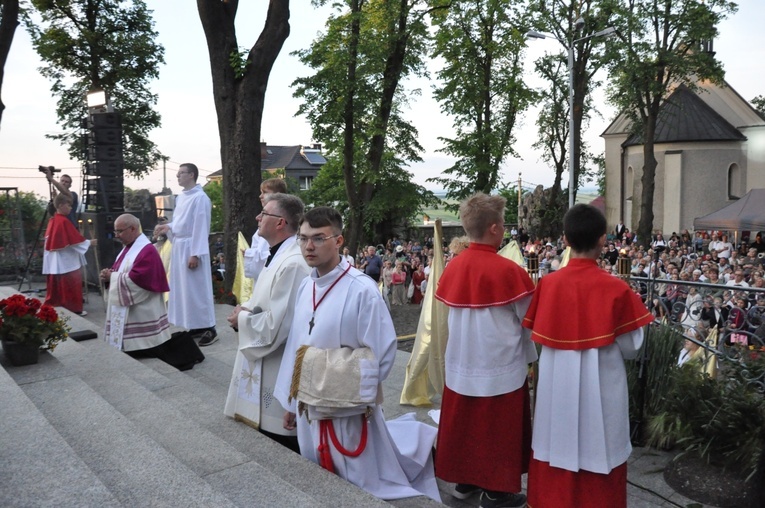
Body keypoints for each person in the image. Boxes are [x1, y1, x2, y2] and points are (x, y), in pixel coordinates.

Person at [274, 207, 440, 501]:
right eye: (302, 238)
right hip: (308, 404)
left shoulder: (362, 290)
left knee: (357, 481)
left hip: (346, 407)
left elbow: (382, 354)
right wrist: (291, 399)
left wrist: (345, 389)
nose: (308, 246)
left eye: (318, 238)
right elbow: (295, 346)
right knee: (317, 470)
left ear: (338, 242)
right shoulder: (305, 286)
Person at [522, 204, 654, 508]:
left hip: (558, 387)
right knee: (601, 444)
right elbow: (633, 348)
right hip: (602, 389)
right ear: (602, 241)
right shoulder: (617, 289)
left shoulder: (548, 284)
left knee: (556, 442)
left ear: (565, 240)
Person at [433, 193, 536, 508]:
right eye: (503, 224)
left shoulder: (454, 266)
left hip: (463, 363)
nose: (504, 229)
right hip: (499, 364)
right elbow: (529, 319)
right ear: (494, 229)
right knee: (498, 431)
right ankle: (496, 491)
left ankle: (466, 482)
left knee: (467, 427)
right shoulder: (509, 271)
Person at [224, 194, 310, 453]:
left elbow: (279, 324)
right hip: (267, 361)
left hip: (278, 362)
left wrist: (241, 319)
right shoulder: (278, 255)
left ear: (281, 222)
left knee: (279, 444)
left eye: (264, 213)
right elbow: (269, 301)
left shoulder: (293, 263)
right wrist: (247, 308)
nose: (257, 218)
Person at [100, 214, 203, 369]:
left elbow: (140, 279)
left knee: (151, 349)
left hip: (143, 309)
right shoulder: (128, 249)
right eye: (116, 232)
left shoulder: (145, 250)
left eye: (120, 231)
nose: (117, 236)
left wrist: (113, 277)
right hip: (130, 310)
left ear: (133, 228)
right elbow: (121, 271)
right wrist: (108, 276)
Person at [154, 163, 217, 346]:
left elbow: (200, 227)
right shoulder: (181, 197)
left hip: (191, 247)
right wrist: (168, 227)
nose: (178, 176)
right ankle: (196, 325)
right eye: (178, 173)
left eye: (181, 173)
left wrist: (195, 254)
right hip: (180, 246)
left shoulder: (200, 198)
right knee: (186, 290)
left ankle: (210, 327)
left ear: (191, 175)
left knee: (198, 289)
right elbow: (180, 223)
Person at [42, 193, 92, 315]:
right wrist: (90, 242)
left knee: (59, 287)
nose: (70, 208)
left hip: (56, 260)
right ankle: (73, 308)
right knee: (70, 285)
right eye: (68, 205)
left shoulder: (53, 220)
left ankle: (58, 305)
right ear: (60, 205)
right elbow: (74, 240)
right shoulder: (63, 221)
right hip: (65, 261)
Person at [243, 177, 289, 282]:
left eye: (265, 192)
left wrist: (251, 255)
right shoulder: (263, 220)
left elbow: (277, 252)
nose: (260, 196)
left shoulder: (281, 217)